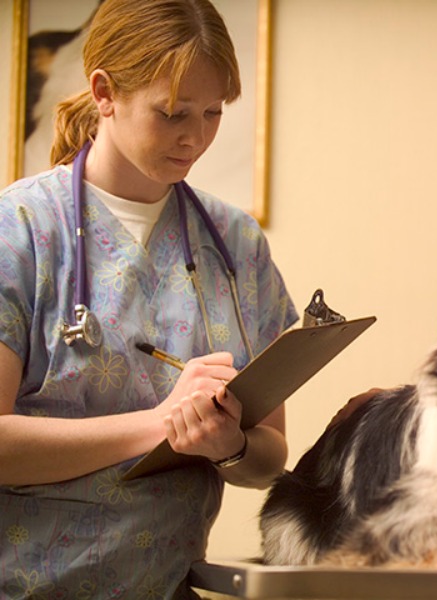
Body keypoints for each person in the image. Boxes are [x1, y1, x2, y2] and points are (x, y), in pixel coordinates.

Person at [0, 0, 297, 597]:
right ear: (104, 92)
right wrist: (160, 424)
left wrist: (230, 444)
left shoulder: (235, 243)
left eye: (213, 113)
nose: (195, 137)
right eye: (171, 113)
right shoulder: (22, 228)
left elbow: (269, 458)